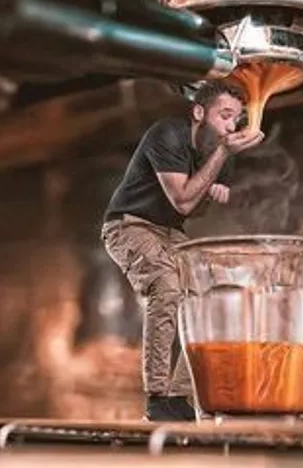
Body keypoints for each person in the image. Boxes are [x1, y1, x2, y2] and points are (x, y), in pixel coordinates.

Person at [101, 80, 264, 421]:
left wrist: (214, 193)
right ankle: (158, 399)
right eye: (225, 116)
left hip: (170, 230)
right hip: (128, 225)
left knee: (210, 293)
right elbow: (182, 200)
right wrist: (222, 156)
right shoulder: (168, 134)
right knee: (167, 285)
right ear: (199, 112)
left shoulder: (221, 157)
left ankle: (181, 395)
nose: (231, 127)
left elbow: (193, 209)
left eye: (237, 119)